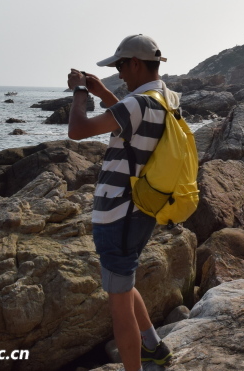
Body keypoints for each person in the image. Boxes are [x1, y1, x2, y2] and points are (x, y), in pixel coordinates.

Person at [66, 34, 175, 370]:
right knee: (124, 282)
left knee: (119, 307)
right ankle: (154, 347)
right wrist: (103, 94)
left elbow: (78, 130)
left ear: (136, 64)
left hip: (119, 214)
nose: (119, 72)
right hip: (140, 210)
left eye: (120, 66)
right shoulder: (165, 97)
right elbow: (132, 124)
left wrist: (80, 92)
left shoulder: (138, 104)